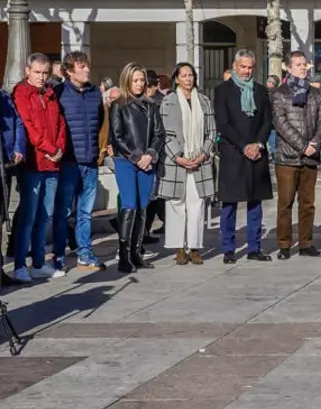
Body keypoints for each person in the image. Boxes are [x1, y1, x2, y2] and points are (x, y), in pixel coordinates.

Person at [214, 49, 274, 264]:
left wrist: (257, 144)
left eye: (250, 67)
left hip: (256, 153)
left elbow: (267, 120)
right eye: (243, 67)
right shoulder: (222, 90)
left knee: (255, 203)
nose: (247, 71)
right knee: (229, 204)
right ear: (235, 66)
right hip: (233, 153)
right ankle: (229, 249)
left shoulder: (260, 91)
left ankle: (254, 247)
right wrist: (243, 146)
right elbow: (223, 122)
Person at [11, 53, 67, 281]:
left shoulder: (51, 94)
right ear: (27, 70)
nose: (42, 77)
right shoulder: (22, 93)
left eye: (45, 73)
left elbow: (60, 124)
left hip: (52, 164)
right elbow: (28, 126)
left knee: (46, 215)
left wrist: (60, 148)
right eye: (37, 72)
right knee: (29, 215)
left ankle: (39, 262)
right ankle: (19, 265)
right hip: (33, 163)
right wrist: (49, 148)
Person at [270, 51, 321, 259]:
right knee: (285, 203)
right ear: (288, 67)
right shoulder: (280, 93)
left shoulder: (315, 94)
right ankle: (284, 245)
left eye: (304, 64)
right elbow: (281, 124)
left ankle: (306, 243)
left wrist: (315, 143)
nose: (302, 68)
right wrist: (303, 146)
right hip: (287, 158)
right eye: (298, 64)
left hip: (309, 158)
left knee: (307, 204)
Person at [50, 50, 105, 271]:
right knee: (63, 211)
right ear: (70, 71)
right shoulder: (58, 92)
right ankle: (58, 256)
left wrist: (99, 152)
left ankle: (85, 253)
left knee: (85, 213)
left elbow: (101, 122)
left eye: (87, 65)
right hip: (68, 162)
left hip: (90, 162)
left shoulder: (94, 93)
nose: (87, 69)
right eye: (82, 67)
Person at [157, 63, 216, 265]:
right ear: (176, 79)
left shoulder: (204, 101)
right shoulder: (168, 101)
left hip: (199, 161)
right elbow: (164, 133)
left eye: (191, 75)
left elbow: (212, 132)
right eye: (184, 75)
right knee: (176, 204)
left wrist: (203, 154)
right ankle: (179, 248)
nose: (188, 79)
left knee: (197, 204)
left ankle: (195, 247)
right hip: (177, 162)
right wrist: (178, 157)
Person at [110, 62, 163, 273]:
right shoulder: (119, 105)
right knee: (129, 205)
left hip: (147, 162)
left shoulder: (151, 106)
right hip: (126, 161)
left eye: (142, 80)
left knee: (142, 207)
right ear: (127, 81)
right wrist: (136, 156)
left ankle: (136, 252)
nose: (140, 84)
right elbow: (117, 136)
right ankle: (123, 255)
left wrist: (150, 154)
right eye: (136, 80)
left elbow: (159, 134)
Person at [1, 88, 28, 284]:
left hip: (5, 165)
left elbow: (18, 123)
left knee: (1, 218)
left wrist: (18, 148)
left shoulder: (4, 97)